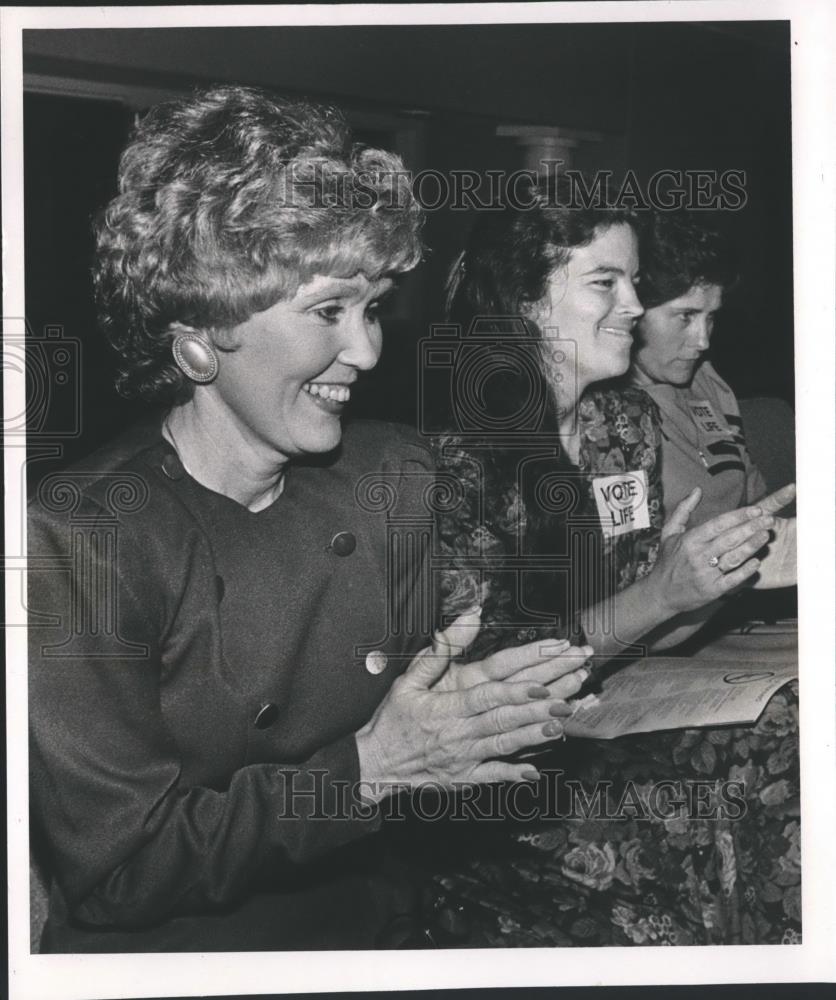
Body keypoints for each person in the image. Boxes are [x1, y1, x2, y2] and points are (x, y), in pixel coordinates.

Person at [27, 86, 591, 953]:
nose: (366, 350)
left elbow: (425, 726)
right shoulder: (83, 537)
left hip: (381, 927)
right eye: (329, 310)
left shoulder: (392, 473)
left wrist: (488, 708)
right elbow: (120, 871)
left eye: (371, 308)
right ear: (200, 334)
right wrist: (364, 775)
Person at [415, 179, 799, 947]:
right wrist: (662, 593)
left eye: (633, 279)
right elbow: (497, 681)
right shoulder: (453, 460)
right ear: (525, 303)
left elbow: (634, 603)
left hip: (622, 705)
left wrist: (717, 571)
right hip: (506, 768)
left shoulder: (622, 423)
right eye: (604, 282)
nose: (633, 302)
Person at [628, 212, 796, 641]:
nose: (702, 341)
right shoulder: (602, 418)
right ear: (630, 310)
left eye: (711, 318)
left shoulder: (705, 382)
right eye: (684, 316)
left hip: (742, 606)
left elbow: (757, 505)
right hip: (659, 635)